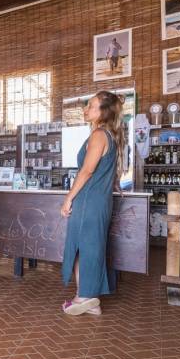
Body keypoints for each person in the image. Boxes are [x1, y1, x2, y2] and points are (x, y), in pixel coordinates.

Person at [60, 91, 125, 316]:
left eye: (91, 106)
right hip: (99, 201)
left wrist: (69, 198)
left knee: (85, 248)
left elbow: (87, 171)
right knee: (90, 247)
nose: (86, 109)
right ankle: (90, 298)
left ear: (103, 112)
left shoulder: (99, 134)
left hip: (88, 201)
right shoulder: (109, 135)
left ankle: (85, 296)